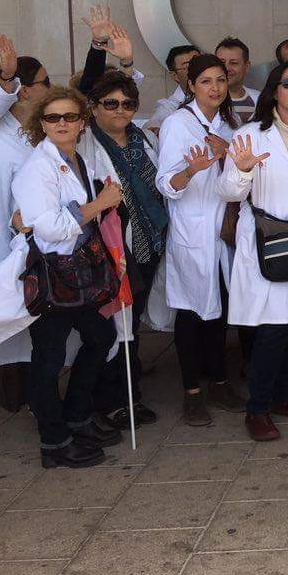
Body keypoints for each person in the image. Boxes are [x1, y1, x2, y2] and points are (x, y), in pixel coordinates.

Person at [218, 62, 288, 441]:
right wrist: (244, 170)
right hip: (269, 241)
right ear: (274, 91)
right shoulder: (251, 136)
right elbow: (229, 193)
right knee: (271, 331)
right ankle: (258, 409)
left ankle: (286, 396)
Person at [14, 86, 123, 468]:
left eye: (70, 116)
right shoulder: (36, 168)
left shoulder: (78, 158)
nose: (62, 123)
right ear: (41, 123)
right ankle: (54, 443)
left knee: (101, 337)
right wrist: (100, 204)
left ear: (82, 121)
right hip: (53, 274)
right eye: (53, 117)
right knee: (48, 358)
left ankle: (77, 416)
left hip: (84, 271)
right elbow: (50, 228)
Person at [155, 54, 245, 426]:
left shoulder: (230, 123)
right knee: (191, 314)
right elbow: (165, 182)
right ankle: (192, 392)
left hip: (223, 232)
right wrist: (190, 170)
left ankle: (220, 382)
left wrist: (229, 159)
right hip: (192, 232)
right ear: (190, 85)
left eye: (221, 80)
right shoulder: (178, 124)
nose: (215, 88)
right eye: (206, 81)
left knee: (220, 311)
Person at [80, 72, 166, 429]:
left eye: (128, 103)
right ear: (95, 107)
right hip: (112, 247)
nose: (120, 110)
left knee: (132, 324)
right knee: (114, 325)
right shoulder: (86, 143)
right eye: (111, 103)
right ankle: (109, 400)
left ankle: (130, 397)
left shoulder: (142, 137)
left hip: (148, 242)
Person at [0, 41, 49, 272]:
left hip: (43, 249)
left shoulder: (42, 131)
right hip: (8, 261)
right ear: (24, 90)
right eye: (45, 82)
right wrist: (1, 275)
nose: (51, 89)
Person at [145, 44, 200, 132]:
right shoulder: (168, 110)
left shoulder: (219, 97)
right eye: (188, 67)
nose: (197, 69)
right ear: (175, 76)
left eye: (199, 63)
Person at [215, 37, 261, 125]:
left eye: (233, 63)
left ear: (246, 66)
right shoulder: (206, 101)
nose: (227, 68)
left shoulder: (260, 99)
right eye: (221, 63)